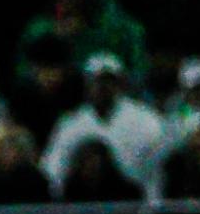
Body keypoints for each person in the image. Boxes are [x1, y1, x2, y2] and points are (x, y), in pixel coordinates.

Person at [40, 53, 164, 197]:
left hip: (131, 201)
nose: (102, 87)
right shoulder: (71, 123)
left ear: (121, 83)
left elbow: (158, 171)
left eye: (109, 81)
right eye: (97, 81)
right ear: (87, 84)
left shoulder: (146, 119)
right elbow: (53, 170)